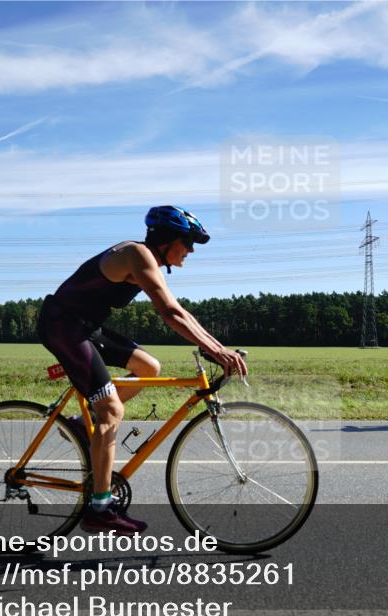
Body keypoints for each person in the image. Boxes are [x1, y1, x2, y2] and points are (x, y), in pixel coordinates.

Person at [37, 206, 248, 534]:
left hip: (84, 327)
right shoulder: (138, 254)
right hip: (63, 327)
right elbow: (168, 313)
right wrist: (216, 350)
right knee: (111, 411)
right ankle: (99, 509)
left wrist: (217, 347)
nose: (190, 251)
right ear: (167, 241)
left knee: (149, 367)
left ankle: (82, 425)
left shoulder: (145, 257)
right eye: (188, 242)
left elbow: (178, 310)